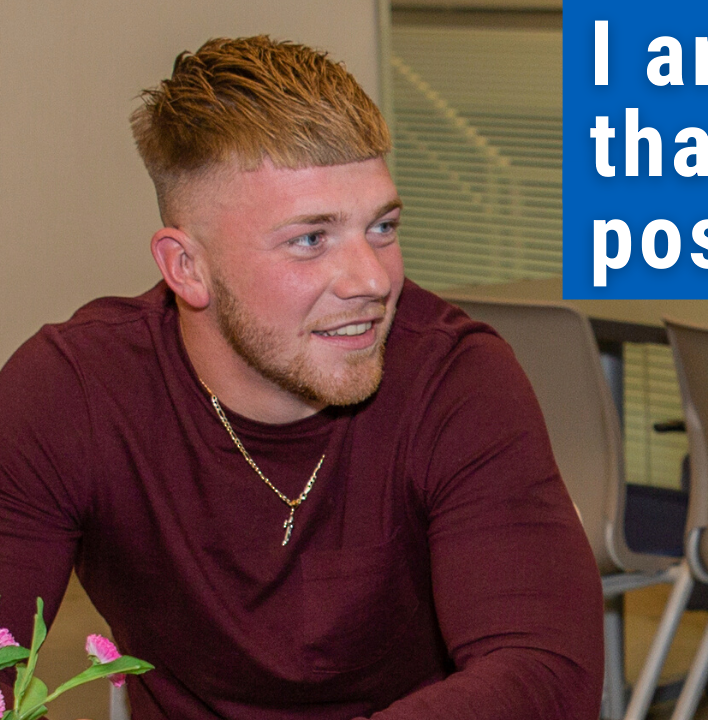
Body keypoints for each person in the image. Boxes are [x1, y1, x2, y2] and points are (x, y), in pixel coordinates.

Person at [0, 36, 603, 719]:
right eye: (310, 239)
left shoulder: (457, 381)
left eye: (382, 227)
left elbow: (544, 674)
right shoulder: (73, 394)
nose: (373, 280)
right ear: (186, 268)